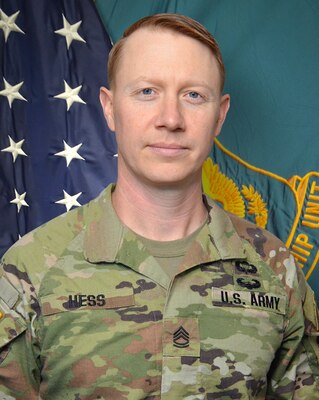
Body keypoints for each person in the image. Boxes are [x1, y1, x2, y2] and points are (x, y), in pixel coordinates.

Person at [0, 13, 318, 400]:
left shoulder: (274, 268)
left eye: (194, 95)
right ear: (109, 107)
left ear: (219, 115)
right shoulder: (30, 269)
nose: (171, 119)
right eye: (147, 91)